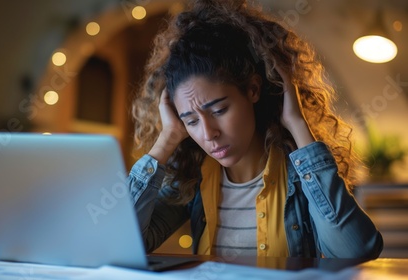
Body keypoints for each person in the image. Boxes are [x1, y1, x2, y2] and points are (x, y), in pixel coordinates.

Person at [127, 0, 383, 258]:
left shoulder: (298, 177)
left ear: (253, 90)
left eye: (219, 111)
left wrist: (296, 123)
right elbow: (126, 242)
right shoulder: (193, 176)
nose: (208, 133)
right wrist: (166, 140)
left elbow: (356, 251)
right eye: (191, 120)